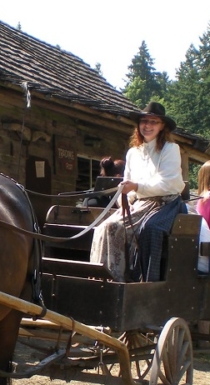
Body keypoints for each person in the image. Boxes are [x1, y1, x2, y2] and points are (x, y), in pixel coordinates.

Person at [89, 102, 187, 282]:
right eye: (144, 121)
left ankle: (134, 280)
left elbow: (167, 182)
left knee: (148, 229)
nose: (148, 126)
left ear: (162, 126)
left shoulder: (170, 149)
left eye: (153, 122)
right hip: (139, 204)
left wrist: (136, 187)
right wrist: (125, 195)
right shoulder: (133, 153)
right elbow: (128, 184)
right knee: (103, 227)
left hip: (165, 203)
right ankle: (102, 278)